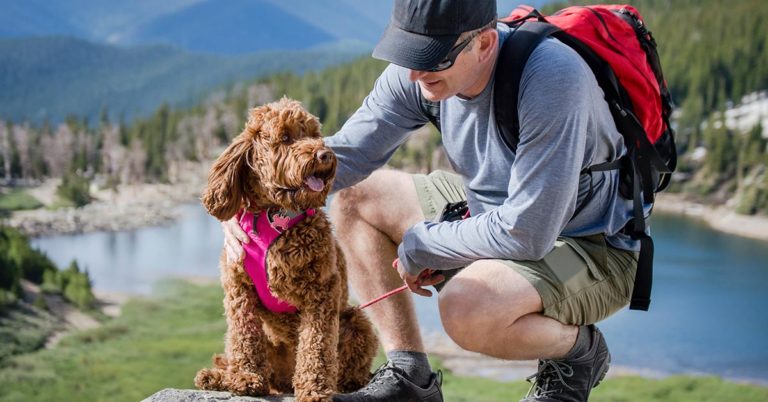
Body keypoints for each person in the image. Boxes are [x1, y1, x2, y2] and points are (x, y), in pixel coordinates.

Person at [222, 0, 641, 401]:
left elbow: (526, 232)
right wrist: (247, 206)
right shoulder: (420, 72)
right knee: (356, 197)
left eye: (432, 56)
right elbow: (344, 158)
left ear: (484, 43)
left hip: (587, 244)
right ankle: (410, 376)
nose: (414, 72)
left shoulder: (551, 77)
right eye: (408, 51)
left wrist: (425, 243)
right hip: (489, 212)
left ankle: (578, 352)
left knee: (466, 309)